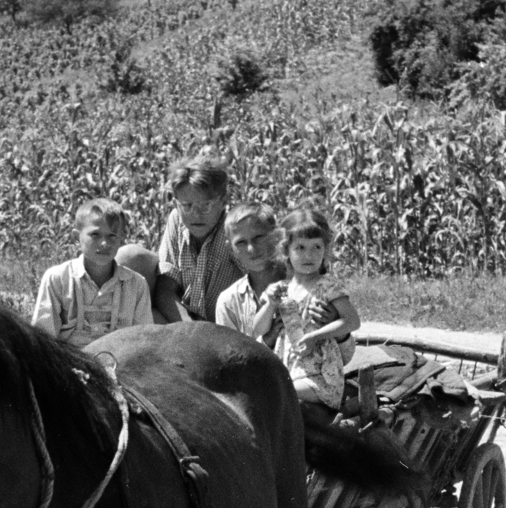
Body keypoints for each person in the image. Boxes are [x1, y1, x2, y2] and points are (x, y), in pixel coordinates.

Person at [252, 207, 360, 408]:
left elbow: (352, 321)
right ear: (286, 250)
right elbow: (257, 329)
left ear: (326, 250)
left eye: (316, 247)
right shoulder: (281, 289)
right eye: (300, 248)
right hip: (289, 370)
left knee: (276, 395)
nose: (308, 255)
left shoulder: (327, 287)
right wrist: (270, 305)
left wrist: (315, 336)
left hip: (320, 376)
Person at [116, 152, 240, 323]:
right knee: (129, 257)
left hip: (226, 328)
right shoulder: (177, 219)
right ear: (176, 203)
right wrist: (189, 329)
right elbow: (165, 289)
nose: (196, 214)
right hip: (186, 321)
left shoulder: (235, 228)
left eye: (206, 205)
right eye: (187, 205)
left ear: (223, 201)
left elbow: (263, 279)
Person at [31, 197, 152, 349]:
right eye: (95, 234)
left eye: (112, 236)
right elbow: (42, 341)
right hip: (70, 364)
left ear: (122, 240)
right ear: (76, 237)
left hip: (121, 365)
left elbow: (144, 343)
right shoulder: (58, 279)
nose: (104, 243)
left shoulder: (136, 284)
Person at [214, 202, 287, 340]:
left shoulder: (303, 281)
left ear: (276, 236)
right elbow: (230, 357)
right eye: (241, 243)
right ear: (231, 249)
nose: (251, 249)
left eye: (258, 238)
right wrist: (266, 342)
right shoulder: (229, 302)